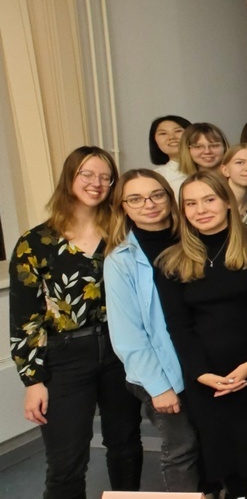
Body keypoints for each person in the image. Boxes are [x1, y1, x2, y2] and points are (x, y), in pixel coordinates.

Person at [10, 147, 143, 498]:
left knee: (126, 445)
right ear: (70, 177)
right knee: (67, 459)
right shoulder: (35, 243)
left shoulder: (123, 233)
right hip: (64, 355)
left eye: (105, 177)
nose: (96, 183)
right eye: (87, 174)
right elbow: (25, 319)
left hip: (120, 350)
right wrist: (33, 380)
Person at [154, 171, 247, 498]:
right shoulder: (171, 261)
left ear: (227, 201)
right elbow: (178, 326)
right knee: (225, 465)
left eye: (209, 199)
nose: (201, 210)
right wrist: (202, 374)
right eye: (191, 203)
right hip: (208, 380)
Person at [104, 169, 201, 493]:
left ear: (169, 198)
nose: (149, 204)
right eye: (135, 199)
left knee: (212, 442)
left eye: (156, 195)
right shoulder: (121, 260)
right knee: (182, 448)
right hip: (161, 372)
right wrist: (159, 387)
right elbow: (127, 335)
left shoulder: (192, 239)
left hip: (200, 362)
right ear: (123, 207)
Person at [148, 115, 190, 193]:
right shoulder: (156, 177)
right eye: (163, 133)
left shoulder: (210, 168)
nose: (172, 137)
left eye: (178, 131)